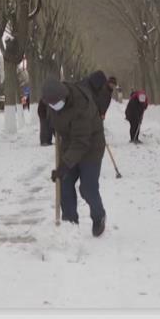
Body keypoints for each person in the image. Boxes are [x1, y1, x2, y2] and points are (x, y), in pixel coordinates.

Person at [41, 76, 107, 236]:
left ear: (65, 96)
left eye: (57, 103)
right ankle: (70, 223)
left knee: (88, 188)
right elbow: (50, 120)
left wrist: (64, 165)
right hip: (70, 144)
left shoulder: (81, 106)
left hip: (91, 146)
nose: (54, 106)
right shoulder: (51, 101)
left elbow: (81, 142)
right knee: (64, 183)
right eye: (51, 104)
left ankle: (99, 216)